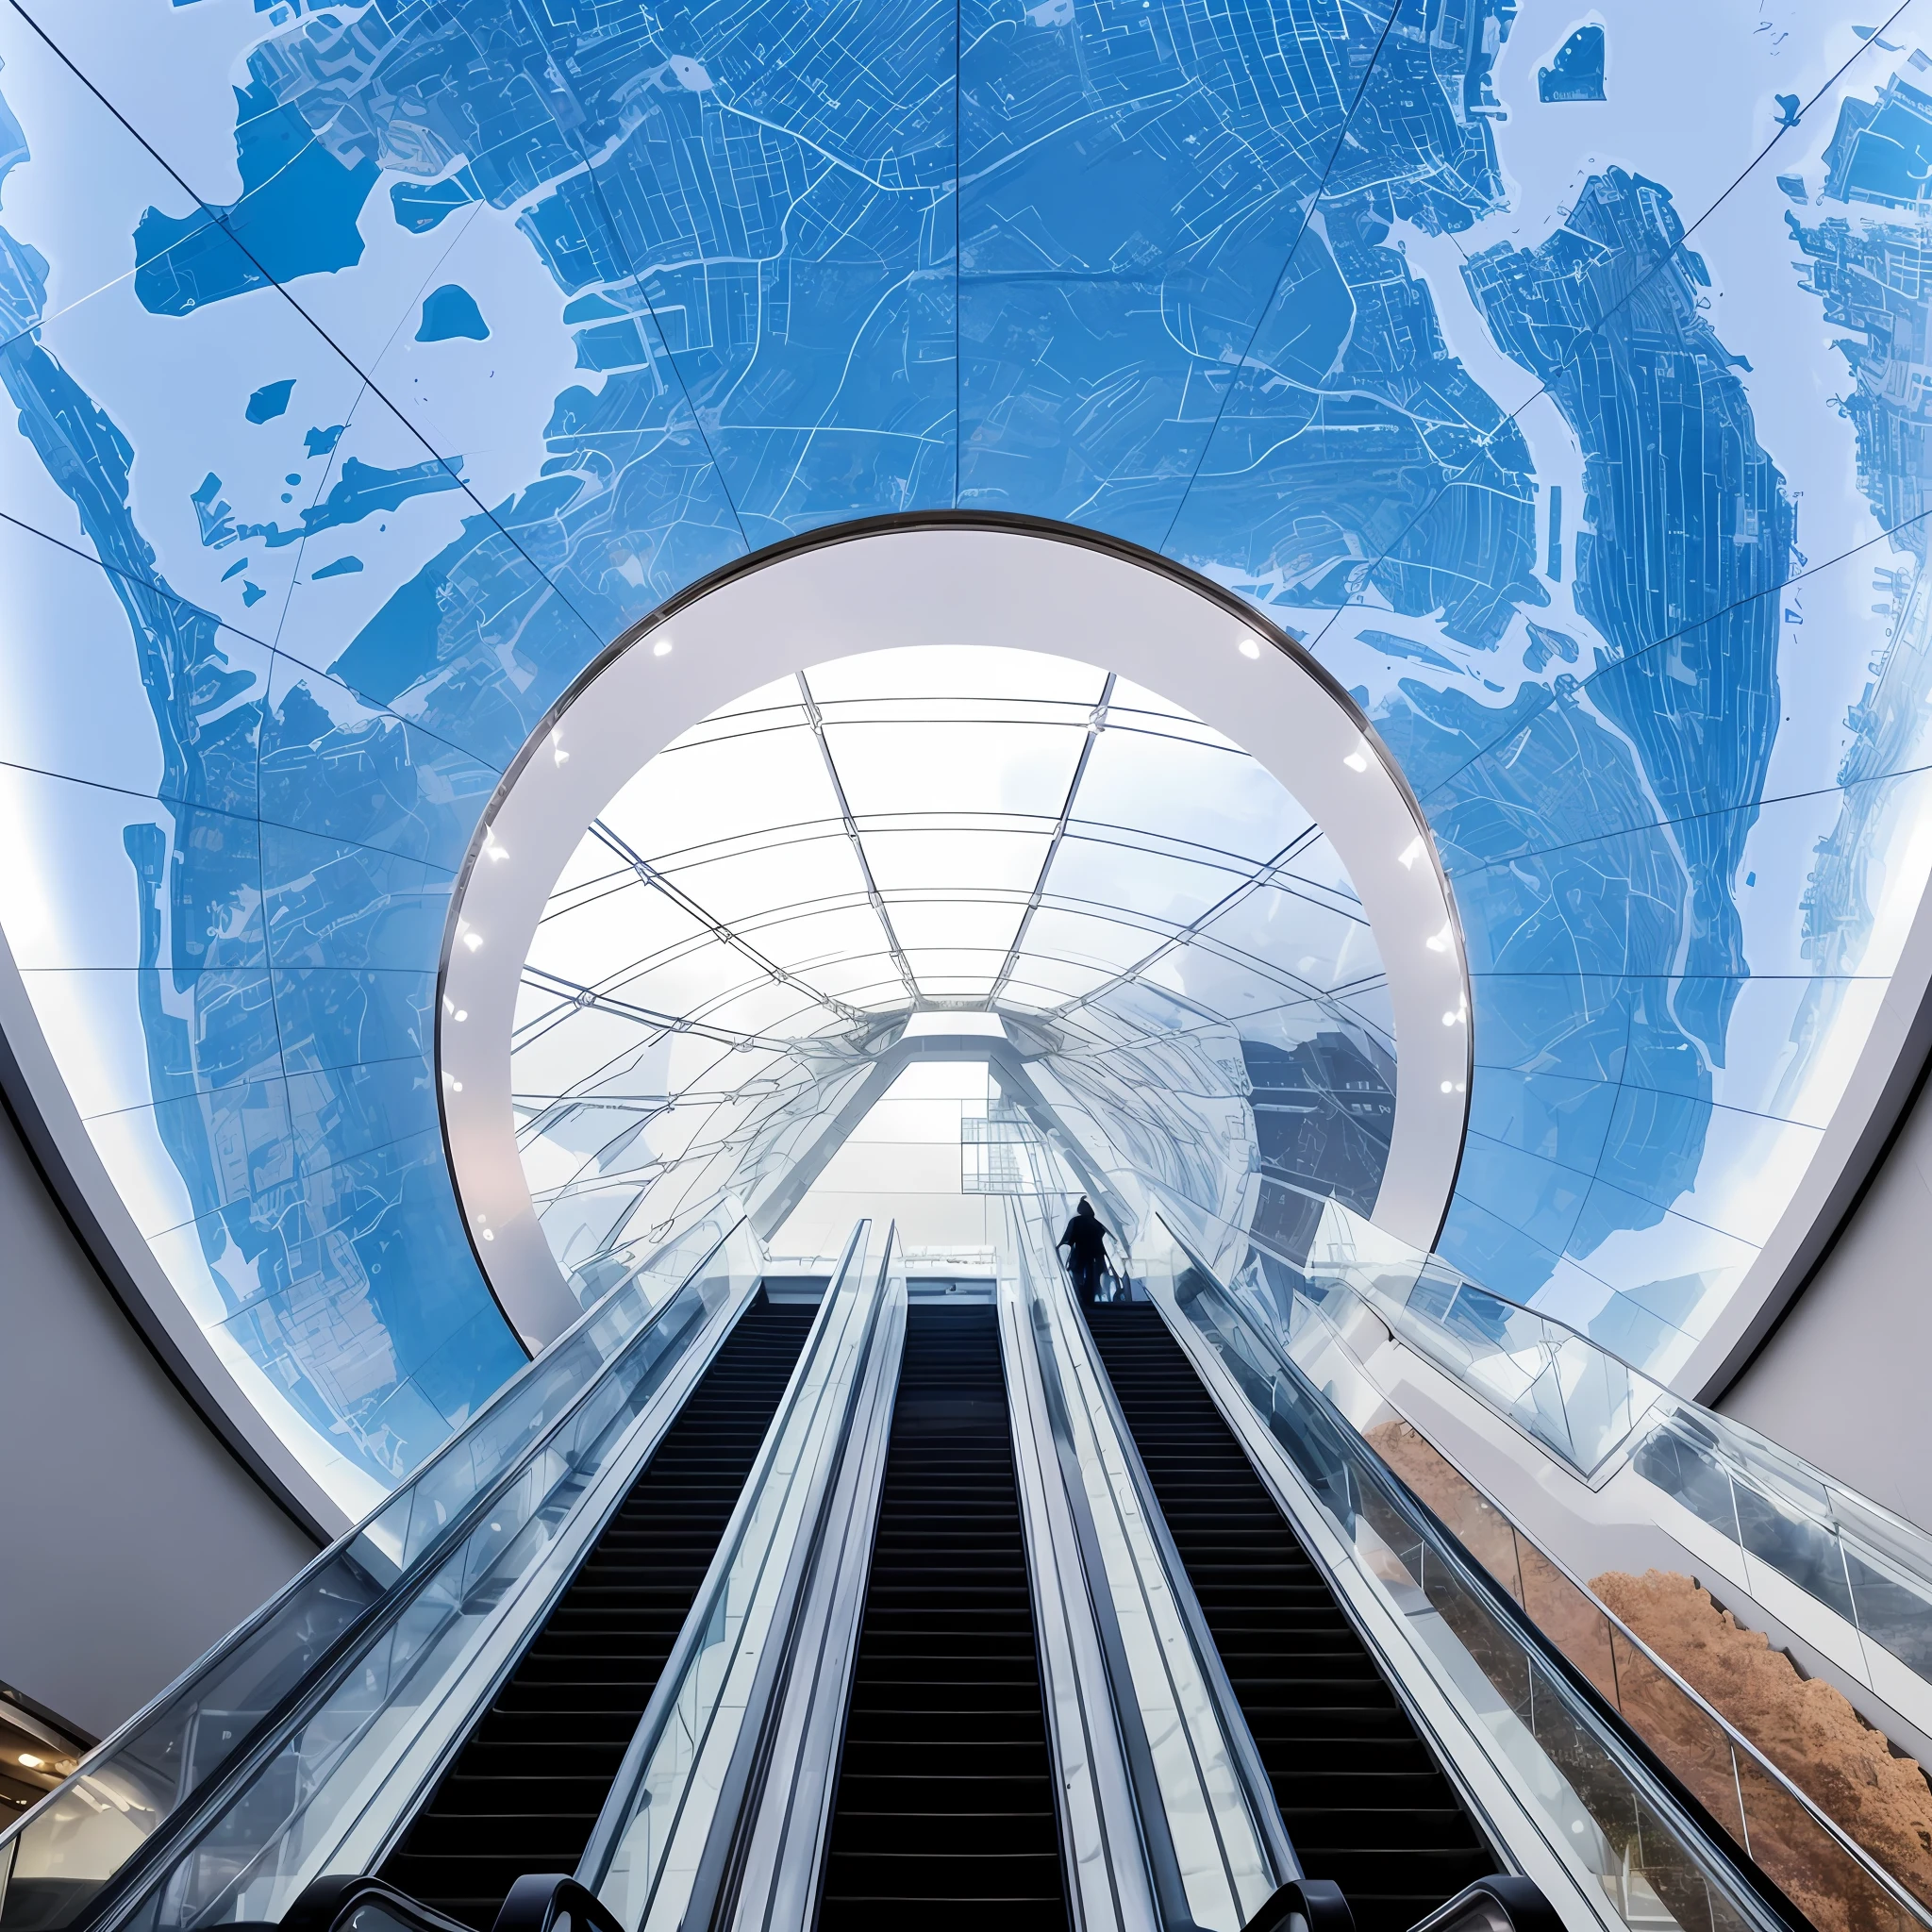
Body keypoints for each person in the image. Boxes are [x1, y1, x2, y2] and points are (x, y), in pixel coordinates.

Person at [1058, 1197, 1113, 1304]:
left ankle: (1082, 1297)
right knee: (1093, 1275)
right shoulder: (1097, 1221)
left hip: (1080, 1252)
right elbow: (1102, 1236)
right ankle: (1090, 1297)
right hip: (1095, 1253)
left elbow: (1069, 1238)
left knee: (1079, 1275)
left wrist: (1060, 1246)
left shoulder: (1076, 1221)